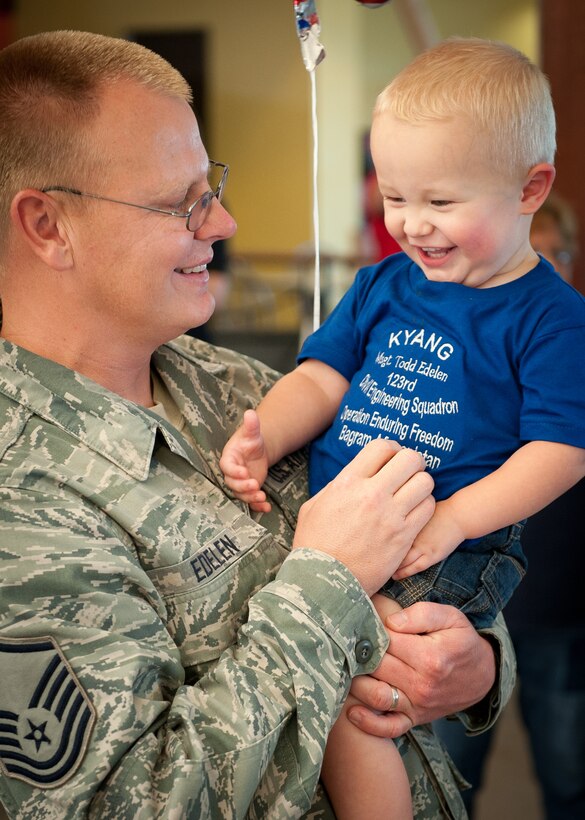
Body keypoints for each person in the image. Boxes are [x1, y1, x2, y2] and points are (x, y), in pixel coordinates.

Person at [0, 30, 515, 820]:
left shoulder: (237, 388)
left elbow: (436, 557)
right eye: (181, 203)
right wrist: (327, 579)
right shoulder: (21, 504)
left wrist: (473, 662)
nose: (224, 225)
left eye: (212, 189)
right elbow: (131, 804)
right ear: (46, 226)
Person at [220, 39, 585, 818]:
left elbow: (561, 451)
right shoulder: (383, 283)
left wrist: (452, 518)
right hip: (339, 523)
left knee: (361, 704)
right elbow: (322, 376)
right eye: (395, 197)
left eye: (441, 202)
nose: (412, 225)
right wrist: (266, 433)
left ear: (530, 188)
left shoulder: (549, 316)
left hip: (443, 545)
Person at [434, 192, 585, 820]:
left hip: (562, 608)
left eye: (546, 259)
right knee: (448, 783)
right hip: (466, 606)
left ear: (569, 263)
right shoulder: (460, 356)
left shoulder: (572, 343)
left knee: (569, 774)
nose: (532, 277)